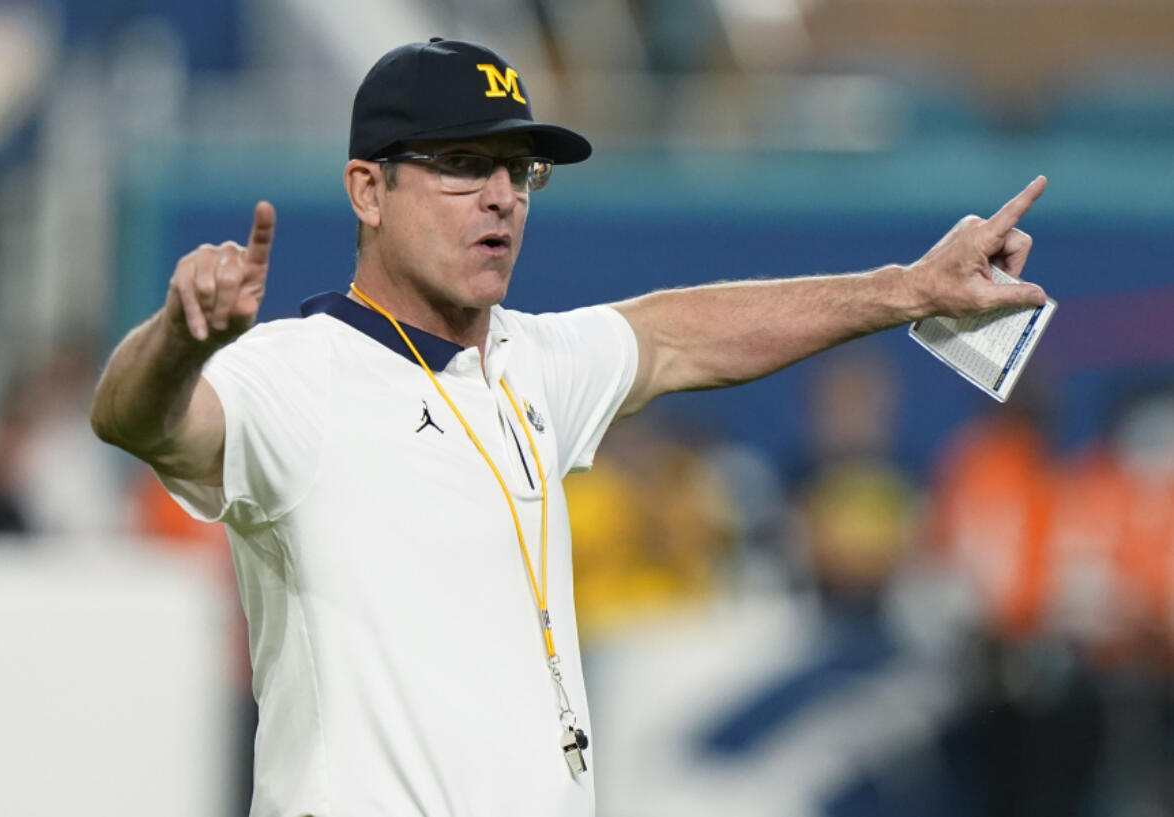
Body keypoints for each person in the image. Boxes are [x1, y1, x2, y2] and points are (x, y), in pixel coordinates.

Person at [90, 37, 1049, 817]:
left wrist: (907, 289)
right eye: (463, 166)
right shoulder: (299, 371)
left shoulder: (532, 362)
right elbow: (140, 421)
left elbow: (684, 334)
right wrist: (177, 340)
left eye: (518, 168)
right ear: (367, 191)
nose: (503, 194)